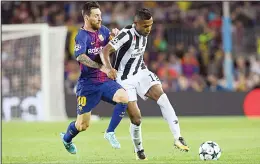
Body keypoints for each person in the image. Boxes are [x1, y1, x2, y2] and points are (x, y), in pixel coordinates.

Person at [100, 8, 189, 160]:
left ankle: (178, 137)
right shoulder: (126, 35)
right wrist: (108, 68)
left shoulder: (144, 32)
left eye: (151, 25)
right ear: (136, 24)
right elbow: (104, 51)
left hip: (141, 72)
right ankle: (139, 150)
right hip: (124, 79)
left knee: (163, 98)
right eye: (145, 26)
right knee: (136, 118)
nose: (149, 29)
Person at [60, 1, 129, 154]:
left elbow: (107, 51)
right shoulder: (81, 36)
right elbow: (81, 57)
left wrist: (114, 38)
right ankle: (66, 139)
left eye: (100, 15)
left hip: (104, 81)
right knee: (82, 125)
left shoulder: (103, 31)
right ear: (86, 17)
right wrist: (101, 67)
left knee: (124, 97)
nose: (100, 19)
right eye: (96, 16)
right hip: (88, 85)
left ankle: (110, 132)